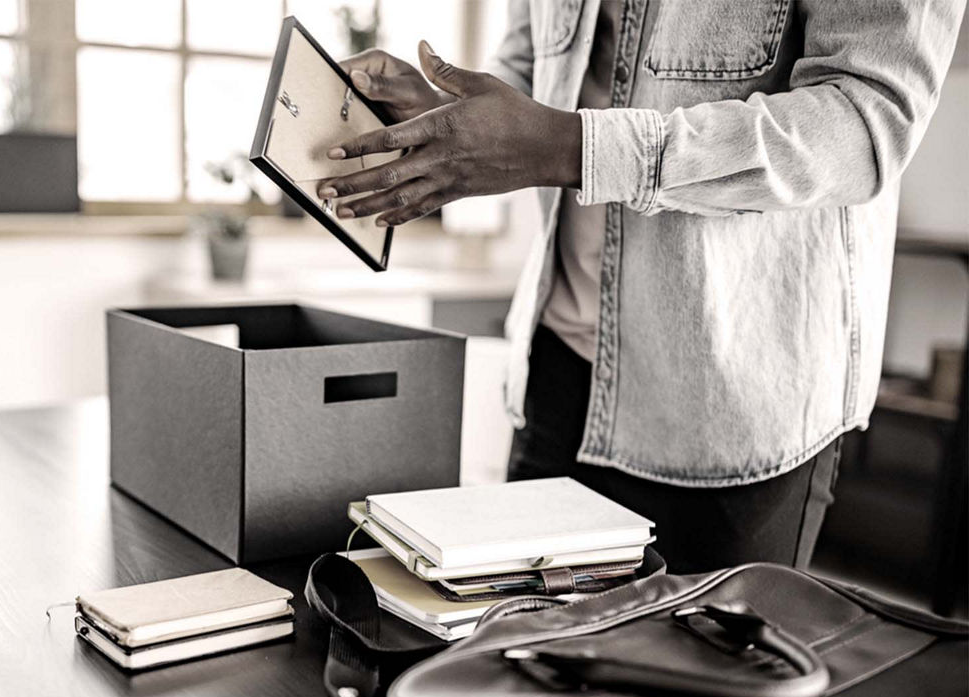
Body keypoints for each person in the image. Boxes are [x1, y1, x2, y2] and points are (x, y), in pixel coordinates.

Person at [320, 0, 964, 573]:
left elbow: (866, 125)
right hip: (556, 371)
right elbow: (533, 62)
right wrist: (446, 119)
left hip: (732, 403)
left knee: (694, 671)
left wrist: (572, 148)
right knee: (523, 664)